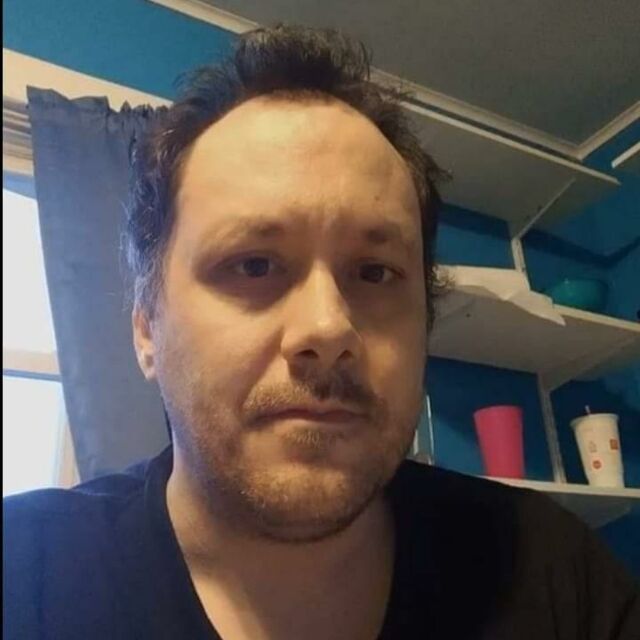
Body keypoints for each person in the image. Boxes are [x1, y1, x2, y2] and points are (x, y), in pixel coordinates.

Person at [3, 24, 639, 640]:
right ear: (147, 329)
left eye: (375, 271)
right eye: (253, 265)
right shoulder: (23, 577)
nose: (329, 328)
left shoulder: (552, 571)